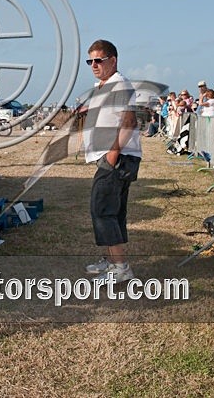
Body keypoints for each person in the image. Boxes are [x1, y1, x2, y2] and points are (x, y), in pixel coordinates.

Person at [81, 39, 142, 283]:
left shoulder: (119, 85)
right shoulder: (103, 86)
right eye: (90, 61)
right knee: (111, 211)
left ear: (113, 60)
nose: (94, 65)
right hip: (110, 156)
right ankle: (112, 261)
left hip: (117, 157)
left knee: (102, 210)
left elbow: (129, 121)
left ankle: (121, 267)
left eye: (99, 60)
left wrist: (113, 152)